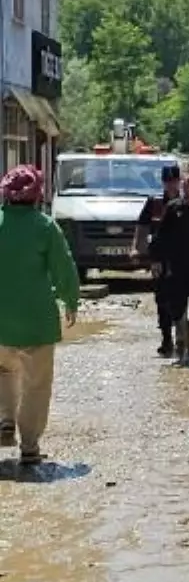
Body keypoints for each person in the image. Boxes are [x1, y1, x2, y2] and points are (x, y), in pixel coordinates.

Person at [0, 165, 80, 465]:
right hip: (36, 322)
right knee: (36, 384)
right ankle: (30, 446)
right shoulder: (45, 227)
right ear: (36, 196)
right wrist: (71, 301)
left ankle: (5, 420)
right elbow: (64, 268)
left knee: (3, 370)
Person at [151, 173, 189, 366]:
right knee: (177, 310)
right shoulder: (174, 208)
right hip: (176, 269)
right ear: (183, 187)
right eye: (188, 185)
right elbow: (160, 236)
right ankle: (181, 347)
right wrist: (157, 260)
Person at [135, 164, 182, 357]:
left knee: (180, 299)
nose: (171, 185)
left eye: (174, 181)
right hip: (160, 258)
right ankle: (167, 339)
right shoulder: (154, 203)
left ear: (179, 181)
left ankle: (182, 340)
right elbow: (142, 228)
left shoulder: (187, 202)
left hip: (182, 259)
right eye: (167, 181)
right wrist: (137, 249)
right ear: (163, 182)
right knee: (162, 300)